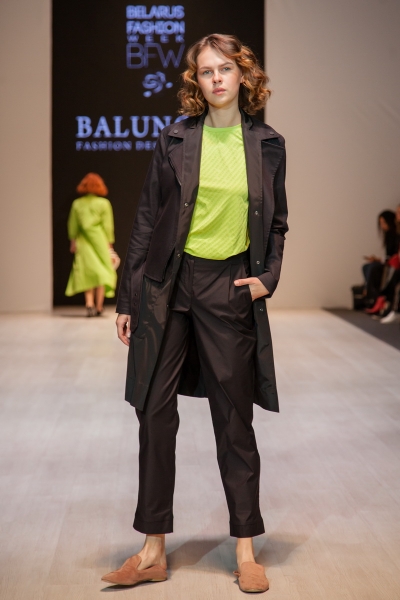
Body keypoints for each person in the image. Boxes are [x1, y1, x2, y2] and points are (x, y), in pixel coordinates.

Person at [102, 34, 288, 594]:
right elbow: (146, 218)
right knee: (155, 414)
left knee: (234, 420)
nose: (217, 79)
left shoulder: (269, 144)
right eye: (206, 71)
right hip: (167, 286)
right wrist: (128, 298)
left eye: (226, 68)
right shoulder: (175, 138)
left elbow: (278, 223)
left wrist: (268, 278)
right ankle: (152, 549)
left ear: (243, 75)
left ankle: (246, 549)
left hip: (228, 286)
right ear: (196, 82)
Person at [65, 173, 117, 316]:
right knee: (102, 271)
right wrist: (110, 244)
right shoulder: (104, 203)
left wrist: (73, 241)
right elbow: (108, 226)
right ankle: (99, 306)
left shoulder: (77, 203)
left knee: (87, 271)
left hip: (83, 240)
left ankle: (89, 303)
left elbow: (72, 225)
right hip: (100, 240)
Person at [363, 210, 398, 309]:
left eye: (383, 222)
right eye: (380, 223)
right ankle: (371, 295)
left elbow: (394, 255)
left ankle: (374, 297)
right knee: (366, 267)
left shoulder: (396, 235)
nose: (382, 226)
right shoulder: (389, 236)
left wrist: (380, 260)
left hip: (393, 263)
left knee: (373, 268)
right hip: (389, 261)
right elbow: (389, 255)